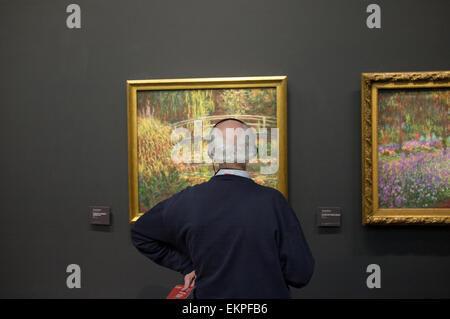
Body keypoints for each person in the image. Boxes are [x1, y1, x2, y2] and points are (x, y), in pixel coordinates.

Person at [131, 118, 314, 298]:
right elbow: (300, 274)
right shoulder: (274, 202)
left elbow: (140, 233)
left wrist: (187, 266)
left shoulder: (188, 200)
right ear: (251, 152)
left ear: (211, 153)